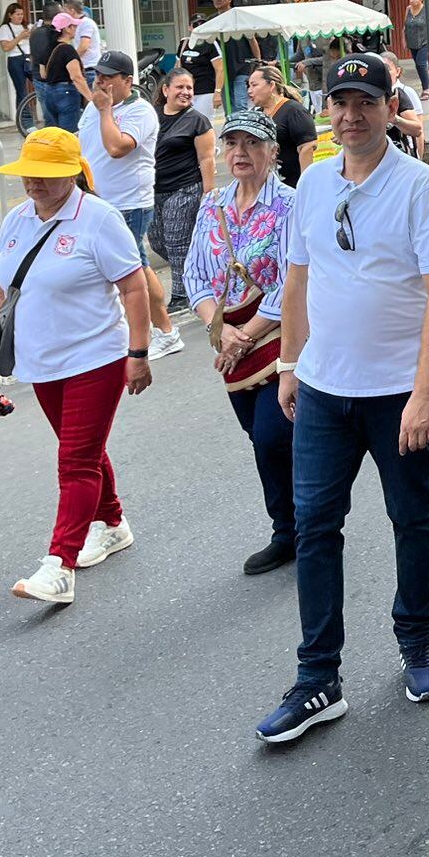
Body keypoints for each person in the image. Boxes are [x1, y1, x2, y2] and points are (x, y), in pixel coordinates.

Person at [255, 53, 429, 744]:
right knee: (315, 527)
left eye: (364, 103)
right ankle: (319, 678)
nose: (349, 116)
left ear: (387, 107)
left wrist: (425, 393)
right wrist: (288, 363)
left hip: (396, 392)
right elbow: (298, 281)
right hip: (320, 389)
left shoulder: (420, 187)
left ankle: (417, 645)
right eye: (339, 103)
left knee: (412, 518)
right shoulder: (311, 184)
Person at [0, 128, 151, 605]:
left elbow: (133, 287)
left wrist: (139, 353)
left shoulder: (99, 219)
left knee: (75, 461)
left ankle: (58, 566)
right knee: (79, 448)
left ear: (71, 172)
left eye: (46, 175)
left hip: (96, 358)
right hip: (40, 362)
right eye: (29, 174)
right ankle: (112, 523)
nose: (35, 183)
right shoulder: (17, 220)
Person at [185, 108, 297, 575]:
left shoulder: (289, 204)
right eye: (232, 144)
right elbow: (193, 274)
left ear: (272, 151)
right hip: (230, 340)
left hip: (280, 337)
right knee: (261, 438)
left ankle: (300, 528)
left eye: (251, 144)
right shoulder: (212, 205)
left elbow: (295, 279)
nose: (240, 153)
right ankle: (292, 525)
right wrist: (219, 328)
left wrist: (246, 335)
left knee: (274, 435)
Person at [78, 50, 186, 360]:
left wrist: (103, 110)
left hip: (128, 203)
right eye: (98, 74)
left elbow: (116, 147)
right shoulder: (95, 107)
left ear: (127, 81)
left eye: (108, 76)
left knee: (136, 268)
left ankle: (166, 332)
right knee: (110, 269)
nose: (100, 81)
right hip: (97, 201)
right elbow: (84, 145)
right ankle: (132, 330)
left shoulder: (140, 111)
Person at [151, 68, 215, 315]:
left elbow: (207, 159)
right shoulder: (152, 115)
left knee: (177, 242)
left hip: (185, 188)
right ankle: (197, 275)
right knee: (158, 241)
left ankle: (182, 294)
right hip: (155, 190)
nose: (186, 92)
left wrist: (207, 195)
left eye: (189, 88)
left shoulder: (198, 121)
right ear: (166, 90)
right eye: (180, 87)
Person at [246, 63, 317, 187]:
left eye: (254, 85)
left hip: (292, 184)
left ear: (271, 85)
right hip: (267, 185)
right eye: (248, 86)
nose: (249, 91)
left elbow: (307, 147)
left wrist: (305, 184)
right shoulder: (256, 113)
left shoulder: (294, 110)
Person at [37, 13, 90, 133]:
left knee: (57, 134)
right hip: (66, 94)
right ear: (66, 28)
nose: (76, 29)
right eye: (73, 26)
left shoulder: (47, 48)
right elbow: (76, 77)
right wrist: (90, 98)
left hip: (49, 93)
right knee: (69, 135)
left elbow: (43, 74)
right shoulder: (68, 50)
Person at [0, 3, 31, 128]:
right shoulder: (5, 28)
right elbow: (6, 47)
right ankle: (26, 122)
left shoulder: (26, 26)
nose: (20, 17)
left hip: (29, 58)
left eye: (21, 14)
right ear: (10, 15)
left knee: (41, 85)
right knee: (22, 91)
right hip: (15, 59)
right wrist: (20, 36)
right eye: (17, 14)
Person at [404, 0, 429, 96]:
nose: (411, 1)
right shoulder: (408, 9)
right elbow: (405, 25)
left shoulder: (426, 10)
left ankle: (427, 89)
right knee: (417, 65)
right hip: (412, 42)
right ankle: (426, 85)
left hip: (424, 41)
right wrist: (404, 40)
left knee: (421, 64)